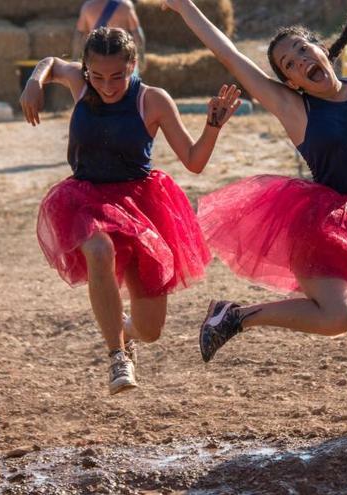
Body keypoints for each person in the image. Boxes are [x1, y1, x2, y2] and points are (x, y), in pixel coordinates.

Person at [160, 0, 347, 363]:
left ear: (322, 49)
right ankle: (236, 316)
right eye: (290, 64)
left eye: (304, 50)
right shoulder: (294, 107)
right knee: (338, 317)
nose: (301, 61)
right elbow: (229, 55)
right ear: (290, 81)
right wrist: (185, 8)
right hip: (324, 229)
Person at [20, 27, 241, 394]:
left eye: (118, 76)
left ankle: (124, 329)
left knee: (151, 329)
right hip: (86, 199)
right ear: (86, 70)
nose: (107, 86)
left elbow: (194, 161)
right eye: (98, 76)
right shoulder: (81, 82)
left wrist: (212, 127)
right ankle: (117, 356)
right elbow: (51, 63)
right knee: (98, 249)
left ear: (134, 65)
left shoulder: (152, 100)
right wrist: (34, 81)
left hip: (141, 208)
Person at [72, 0, 145, 71]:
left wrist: (75, 58)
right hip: (122, 56)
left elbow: (79, 34)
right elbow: (137, 33)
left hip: (96, 57)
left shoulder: (88, 6)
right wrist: (141, 57)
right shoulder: (126, 5)